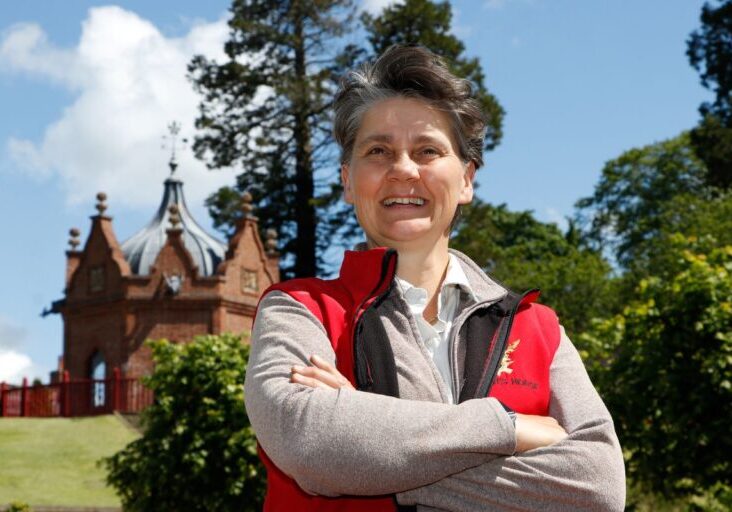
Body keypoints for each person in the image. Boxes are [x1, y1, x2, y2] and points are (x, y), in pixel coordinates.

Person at [244, 45, 625, 511]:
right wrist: (508, 428)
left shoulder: (537, 327)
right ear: (348, 180)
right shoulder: (298, 309)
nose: (403, 169)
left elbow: (597, 488)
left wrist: (369, 442)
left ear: (466, 179)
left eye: (427, 150)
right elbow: (310, 445)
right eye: (378, 150)